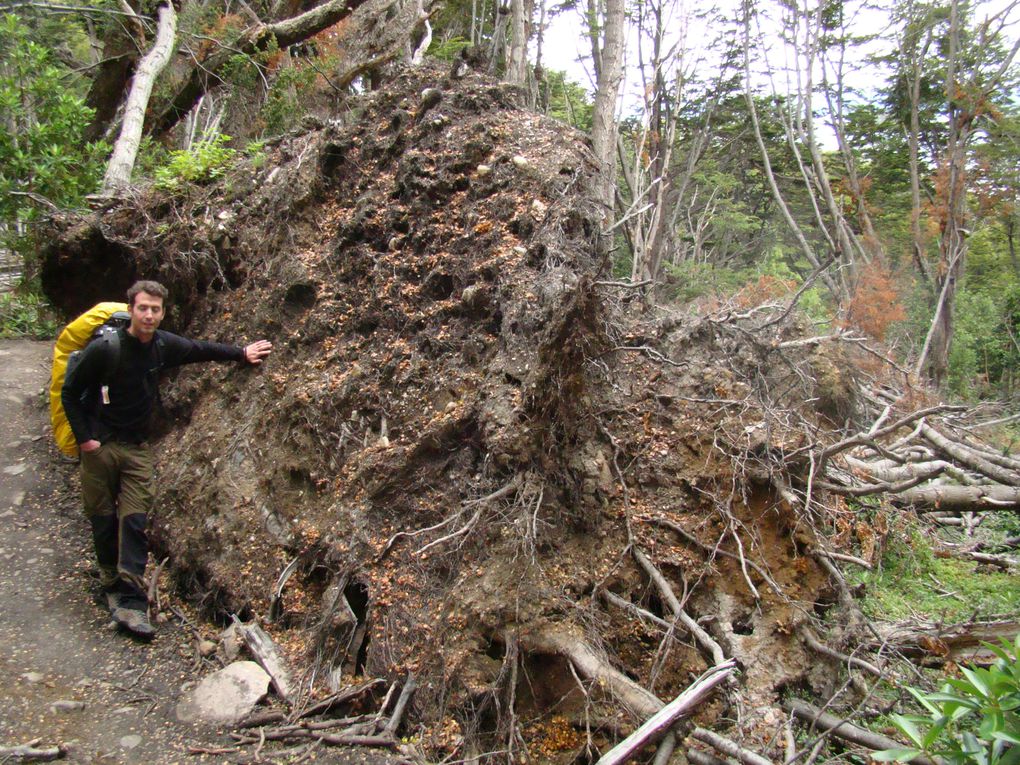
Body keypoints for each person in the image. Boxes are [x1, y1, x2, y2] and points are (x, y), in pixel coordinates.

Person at [61, 280, 272, 638]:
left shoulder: (161, 345)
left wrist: (241, 352)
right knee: (101, 517)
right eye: (143, 308)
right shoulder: (105, 349)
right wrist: (86, 440)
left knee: (135, 520)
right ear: (131, 309)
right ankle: (109, 577)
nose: (149, 315)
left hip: (137, 449)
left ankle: (131, 600)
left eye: (155, 309)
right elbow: (70, 392)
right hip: (100, 447)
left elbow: (199, 349)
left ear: (162, 312)